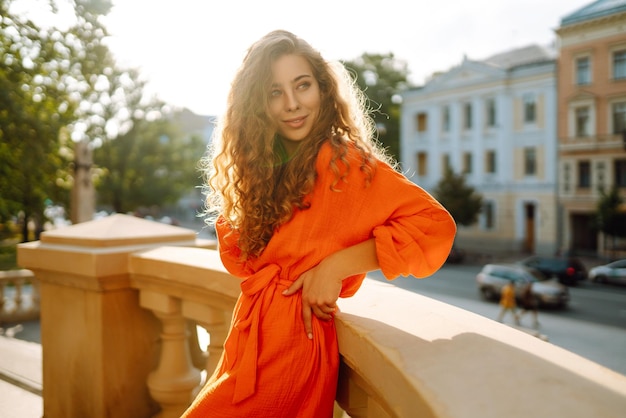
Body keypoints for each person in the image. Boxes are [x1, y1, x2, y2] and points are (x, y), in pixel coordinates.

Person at [181, 30, 456, 418]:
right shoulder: (260, 169)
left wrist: (336, 266)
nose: (292, 104)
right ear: (256, 104)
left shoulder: (346, 165)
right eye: (275, 92)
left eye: (303, 85)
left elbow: (434, 226)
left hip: (296, 346)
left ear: (324, 90)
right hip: (251, 341)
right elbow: (238, 256)